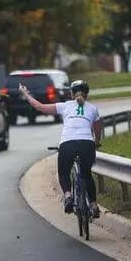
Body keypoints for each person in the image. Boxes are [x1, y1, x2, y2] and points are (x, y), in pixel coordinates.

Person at [18, 80, 103, 218]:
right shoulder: (93, 108)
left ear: (71, 94)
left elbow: (40, 107)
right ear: (87, 94)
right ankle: (93, 206)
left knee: (63, 173)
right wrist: (97, 142)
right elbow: (98, 128)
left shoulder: (65, 106)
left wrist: (26, 94)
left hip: (67, 144)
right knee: (86, 174)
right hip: (86, 144)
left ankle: (68, 196)